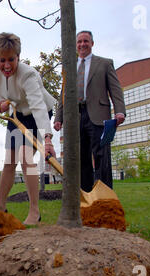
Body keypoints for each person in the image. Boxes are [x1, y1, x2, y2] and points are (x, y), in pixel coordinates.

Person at [0, 32, 56, 225]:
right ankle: (0, 207)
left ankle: (35, 212)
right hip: (16, 114)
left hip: (36, 116)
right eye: (2, 60)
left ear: (18, 57)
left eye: (12, 59)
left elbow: (38, 107)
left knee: (26, 158)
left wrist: (48, 138)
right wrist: (1, 104)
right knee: (9, 161)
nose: (7, 65)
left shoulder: (28, 75)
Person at [54, 30, 126, 192]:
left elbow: (115, 89)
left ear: (92, 43)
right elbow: (63, 93)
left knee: (102, 156)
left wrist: (120, 110)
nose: (82, 44)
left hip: (99, 115)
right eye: (79, 42)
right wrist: (59, 117)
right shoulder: (69, 67)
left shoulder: (105, 64)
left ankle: (104, 194)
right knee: (81, 157)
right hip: (76, 117)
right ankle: (85, 194)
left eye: (86, 41)